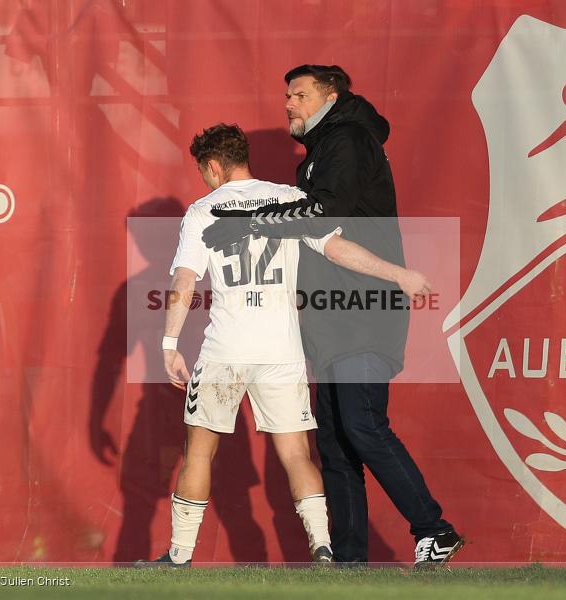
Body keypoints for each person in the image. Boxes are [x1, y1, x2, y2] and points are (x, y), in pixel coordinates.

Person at [202, 65, 464, 567]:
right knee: (337, 442)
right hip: (331, 317)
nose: (289, 104)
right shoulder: (321, 153)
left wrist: (247, 222)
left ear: (331, 96)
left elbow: (325, 215)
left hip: (364, 308)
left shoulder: (347, 139)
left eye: (300, 94)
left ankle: (435, 528)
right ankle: (349, 561)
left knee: (362, 425)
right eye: (287, 95)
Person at [140, 123, 432, 567]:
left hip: (226, 349)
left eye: (204, 170)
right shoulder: (291, 200)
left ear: (213, 166)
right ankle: (323, 550)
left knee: (199, 451)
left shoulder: (203, 210)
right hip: (282, 350)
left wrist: (169, 344)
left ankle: (179, 556)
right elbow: (336, 249)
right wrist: (397, 274)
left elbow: (184, 281)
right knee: (297, 453)